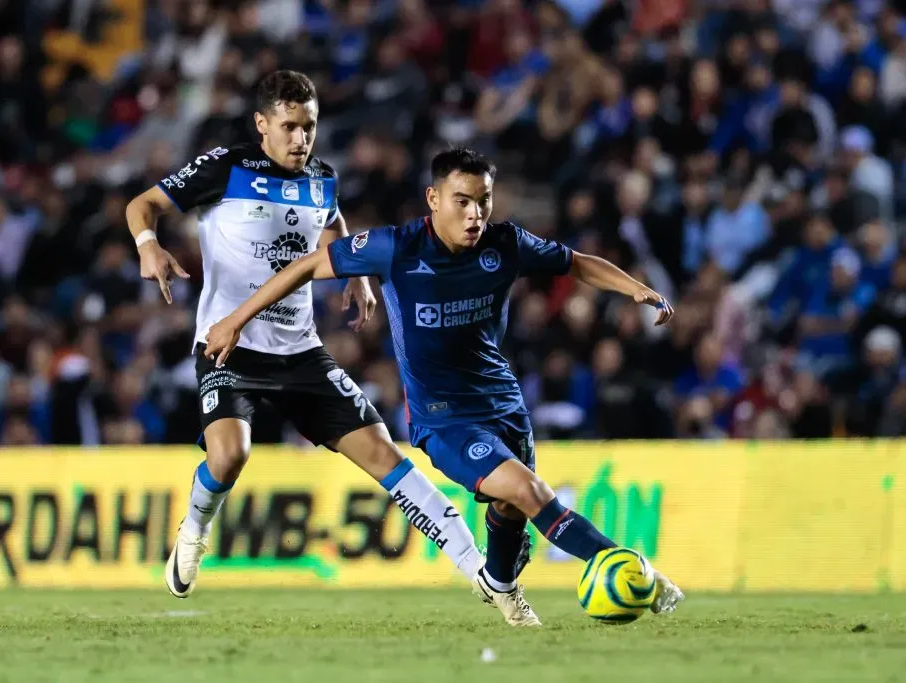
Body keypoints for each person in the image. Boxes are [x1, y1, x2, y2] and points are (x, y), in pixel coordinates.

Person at [205, 147, 686, 625]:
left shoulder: (507, 244)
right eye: (462, 201)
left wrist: (634, 289)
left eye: (484, 200)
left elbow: (576, 262)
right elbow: (305, 267)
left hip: (504, 404)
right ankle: (629, 569)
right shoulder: (396, 247)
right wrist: (236, 320)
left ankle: (500, 585)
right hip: (443, 417)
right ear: (433, 199)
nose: (475, 214)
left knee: (509, 508)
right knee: (527, 488)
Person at [125, 71, 486, 606]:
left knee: (384, 453)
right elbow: (142, 204)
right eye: (289, 127)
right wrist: (148, 245)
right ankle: (194, 530)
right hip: (229, 345)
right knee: (229, 457)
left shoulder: (323, 177)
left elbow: (333, 222)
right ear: (262, 124)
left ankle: (481, 572)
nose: (300, 139)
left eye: (309, 127)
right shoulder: (227, 167)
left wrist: (357, 276)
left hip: (300, 350)